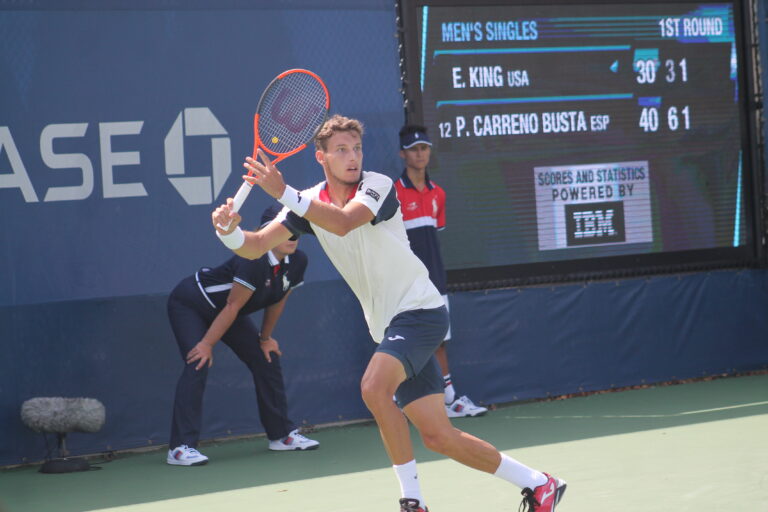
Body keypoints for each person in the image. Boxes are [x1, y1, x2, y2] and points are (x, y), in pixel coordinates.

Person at [212, 115, 566, 511]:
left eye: (357, 148)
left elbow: (345, 223)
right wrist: (228, 230)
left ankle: (411, 502)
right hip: (390, 325)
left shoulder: (377, 187)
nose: (352, 157)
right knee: (438, 436)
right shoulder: (311, 201)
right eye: (341, 150)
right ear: (321, 157)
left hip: (420, 310)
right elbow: (256, 245)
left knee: (373, 388)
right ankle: (540, 484)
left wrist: (284, 192)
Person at [166, 205, 319, 466]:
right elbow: (233, 306)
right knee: (197, 362)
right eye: (287, 230)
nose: (293, 237)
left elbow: (277, 301)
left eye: (297, 232)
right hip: (192, 303)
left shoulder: (298, 262)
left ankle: (281, 436)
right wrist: (206, 344)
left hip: (227, 312)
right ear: (267, 232)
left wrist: (264, 338)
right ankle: (180, 448)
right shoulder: (253, 260)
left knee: (266, 358)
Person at [394, 124, 487, 418]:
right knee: (400, 341)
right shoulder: (392, 193)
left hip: (435, 281)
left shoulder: (439, 194)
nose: (420, 154)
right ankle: (402, 399)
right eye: (413, 149)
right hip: (401, 283)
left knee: (439, 340)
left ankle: (449, 399)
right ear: (403, 154)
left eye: (424, 148)